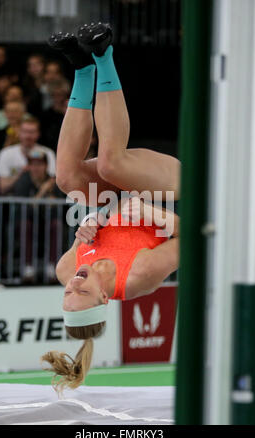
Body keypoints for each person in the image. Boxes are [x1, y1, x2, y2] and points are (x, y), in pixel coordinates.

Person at [41, 23, 180, 392]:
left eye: (67, 294)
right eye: (81, 293)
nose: (72, 285)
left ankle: (81, 66)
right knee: (109, 164)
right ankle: (103, 53)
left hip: (121, 196)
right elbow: (196, 234)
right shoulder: (138, 277)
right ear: (105, 297)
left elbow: (99, 219)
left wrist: (89, 221)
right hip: (171, 192)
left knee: (68, 177)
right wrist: (153, 216)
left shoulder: (67, 267)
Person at [11, 148, 64, 282]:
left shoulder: (54, 182)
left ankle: (52, 266)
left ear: (46, 165)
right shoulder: (24, 181)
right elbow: (22, 208)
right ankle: (28, 267)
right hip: (29, 221)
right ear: (29, 166)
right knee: (25, 225)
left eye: (39, 164)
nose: (36, 168)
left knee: (56, 225)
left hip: (48, 221)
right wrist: (42, 192)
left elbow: (58, 209)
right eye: (33, 164)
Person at [0, 117, 56, 195]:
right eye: (25, 131)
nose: (28, 136)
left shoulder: (48, 153)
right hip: (14, 202)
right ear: (19, 132)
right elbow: (2, 188)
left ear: (38, 133)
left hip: (42, 201)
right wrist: (21, 174)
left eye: (32, 132)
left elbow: (53, 181)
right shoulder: (6, 153)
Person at [0, 100, 26, 171]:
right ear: (5, 114)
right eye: (8, 111)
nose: (11, 114)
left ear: (23, 113)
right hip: (5, 168)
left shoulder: (29, 132)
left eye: (15, 111)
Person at [40, 80, 70, 151]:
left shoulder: (69, 112)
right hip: (50, 147)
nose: (58, 98)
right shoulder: (46, 114)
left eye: (60, 94)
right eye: (55, 95)